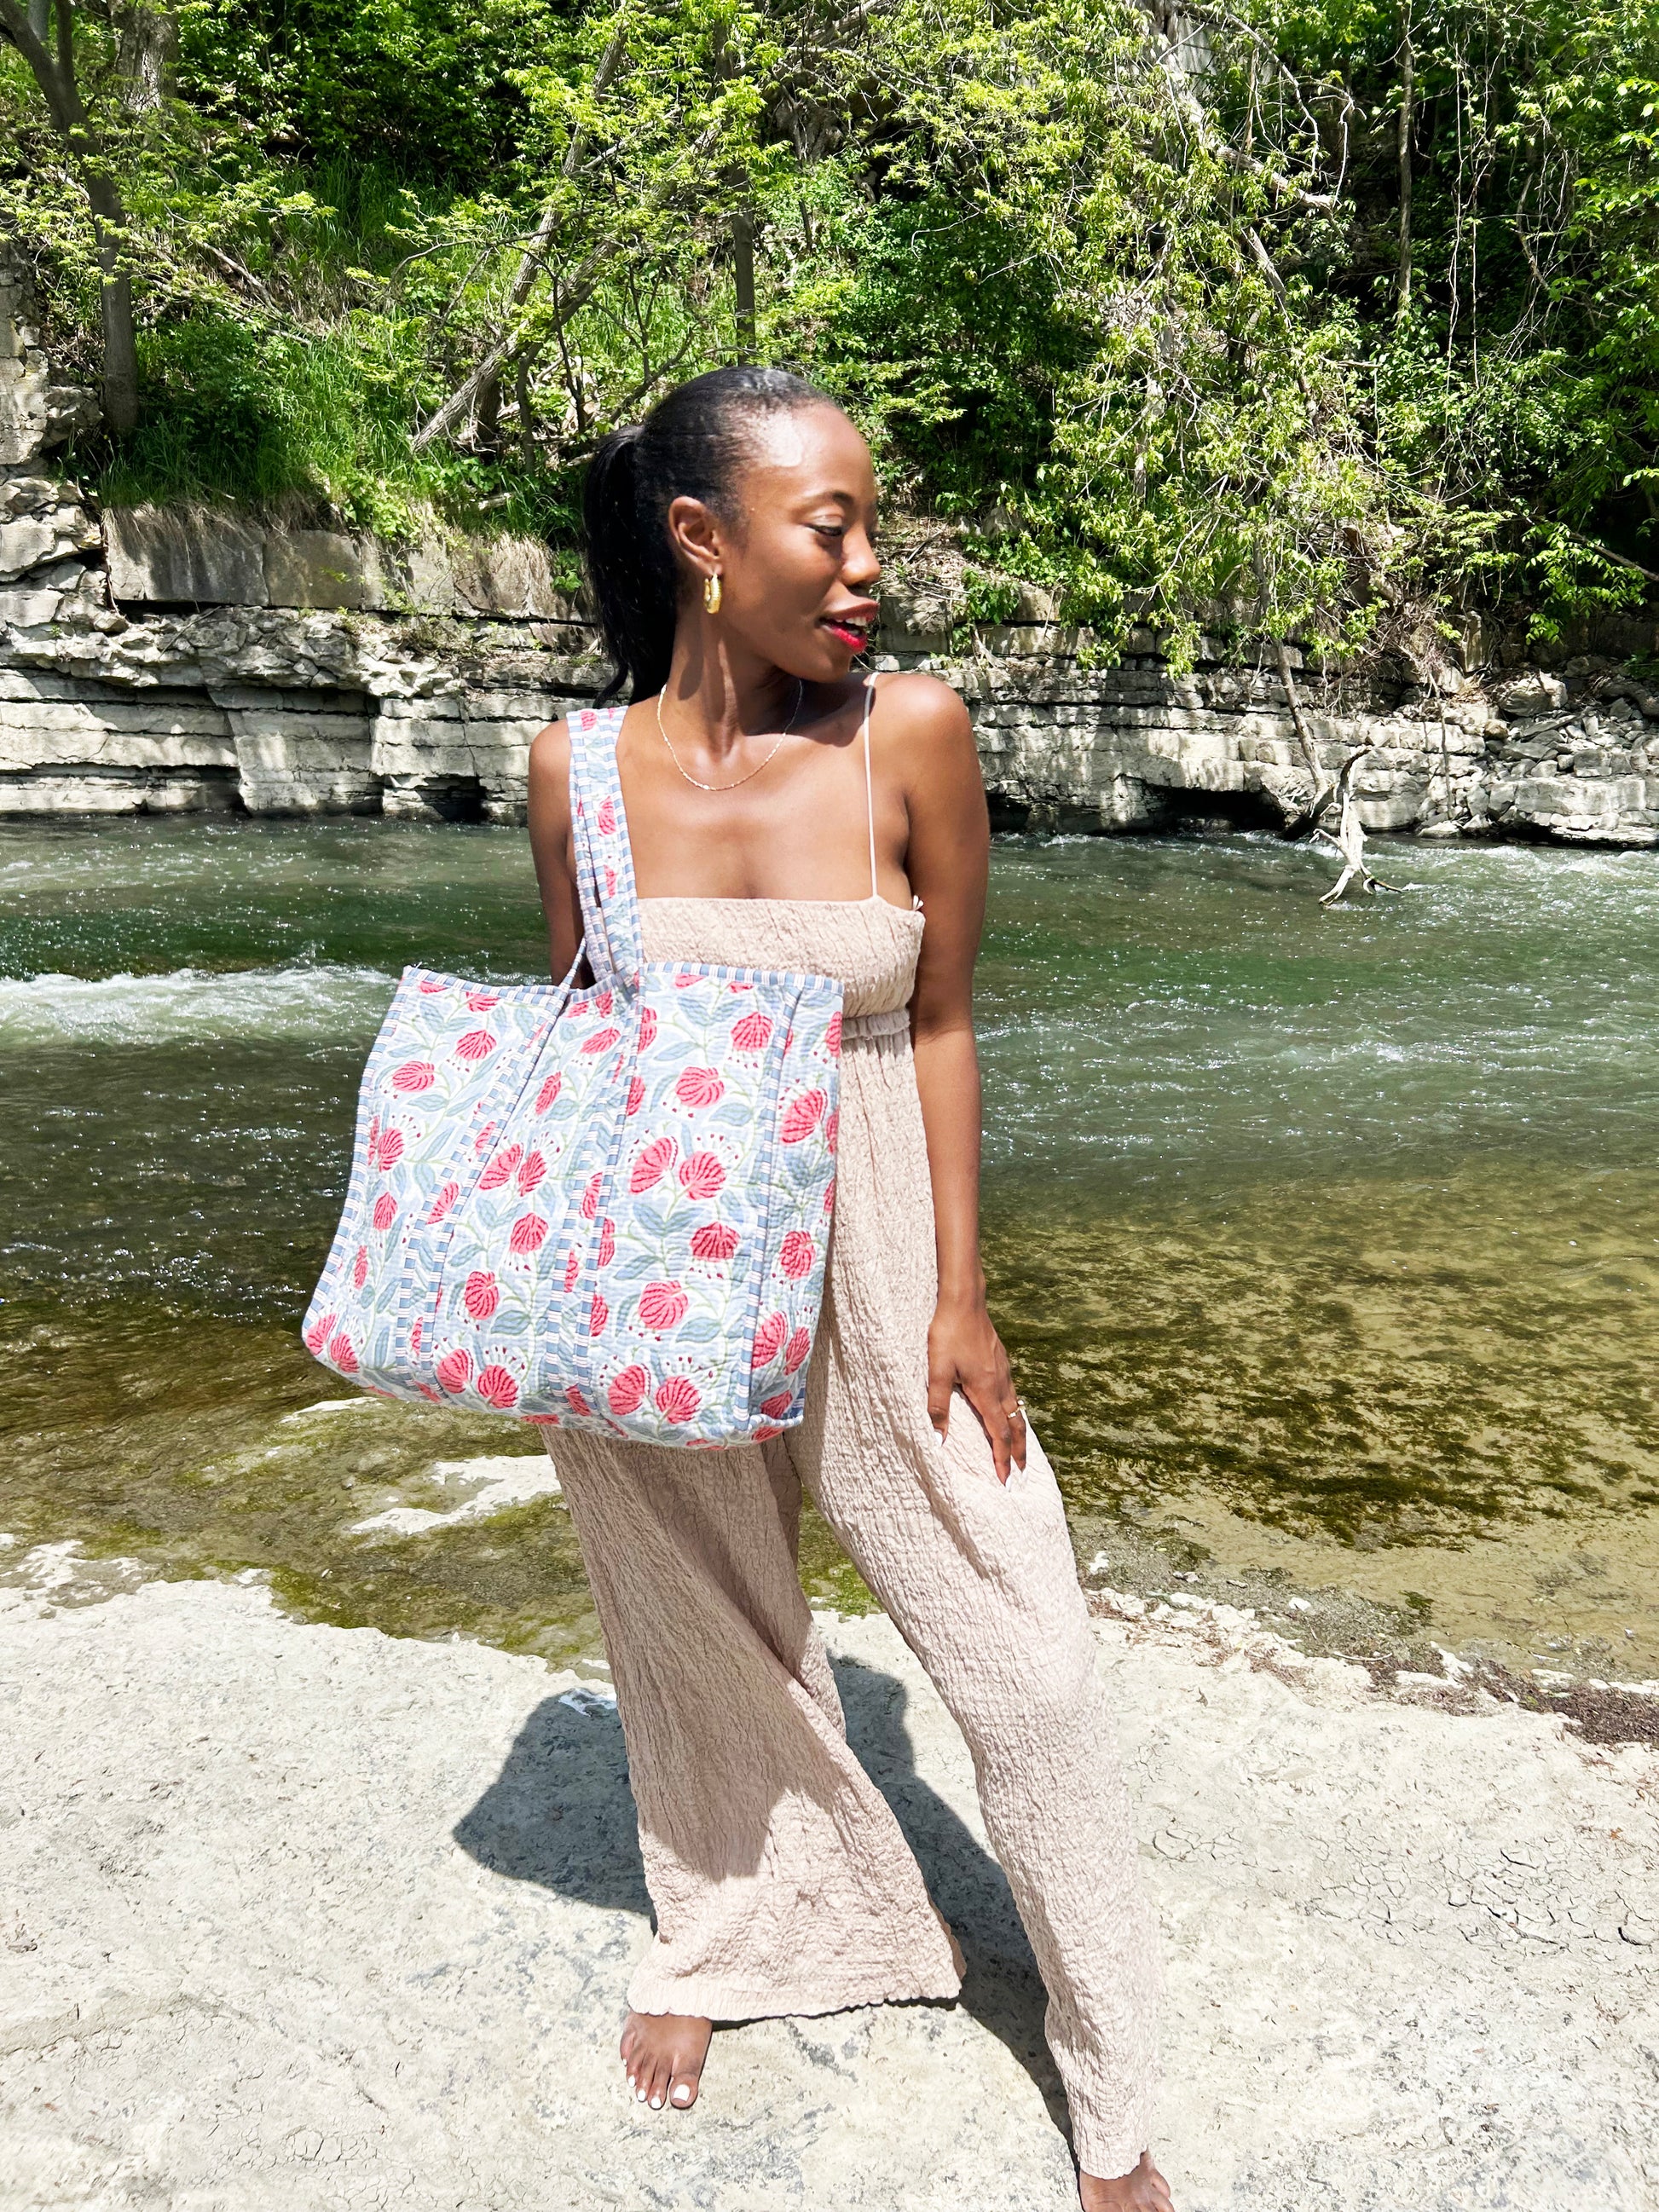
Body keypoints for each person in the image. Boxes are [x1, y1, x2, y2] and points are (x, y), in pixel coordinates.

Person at [526, 366, 1171, 2212]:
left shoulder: (913, 732)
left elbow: (949, 1012)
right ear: (702, 543)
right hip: (659, 1245)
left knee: (1028, 1662)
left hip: (882, 1233)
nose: (870, 564)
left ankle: (1107, 2066)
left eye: (874, 520)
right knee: (697, 1610)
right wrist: (561, 1294)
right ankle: (742, 1924)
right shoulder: (577, 771)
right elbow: (580, 1042)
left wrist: (960, 1293)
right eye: (832, 526)